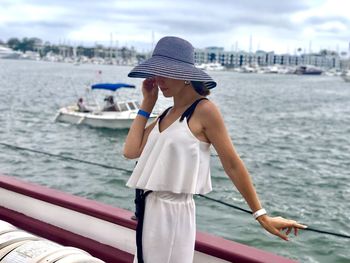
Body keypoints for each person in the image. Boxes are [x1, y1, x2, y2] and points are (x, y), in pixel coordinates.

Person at [123, 36, 307, 263]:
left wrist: (261, 215)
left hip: (174, 213)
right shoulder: (167, 114)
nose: (159, 79)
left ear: (186, 75)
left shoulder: (204, 110)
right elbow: (130, 151)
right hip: (150, 210)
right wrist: (147, 104)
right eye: (157, 71)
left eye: (166, 71)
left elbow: (232, 164)